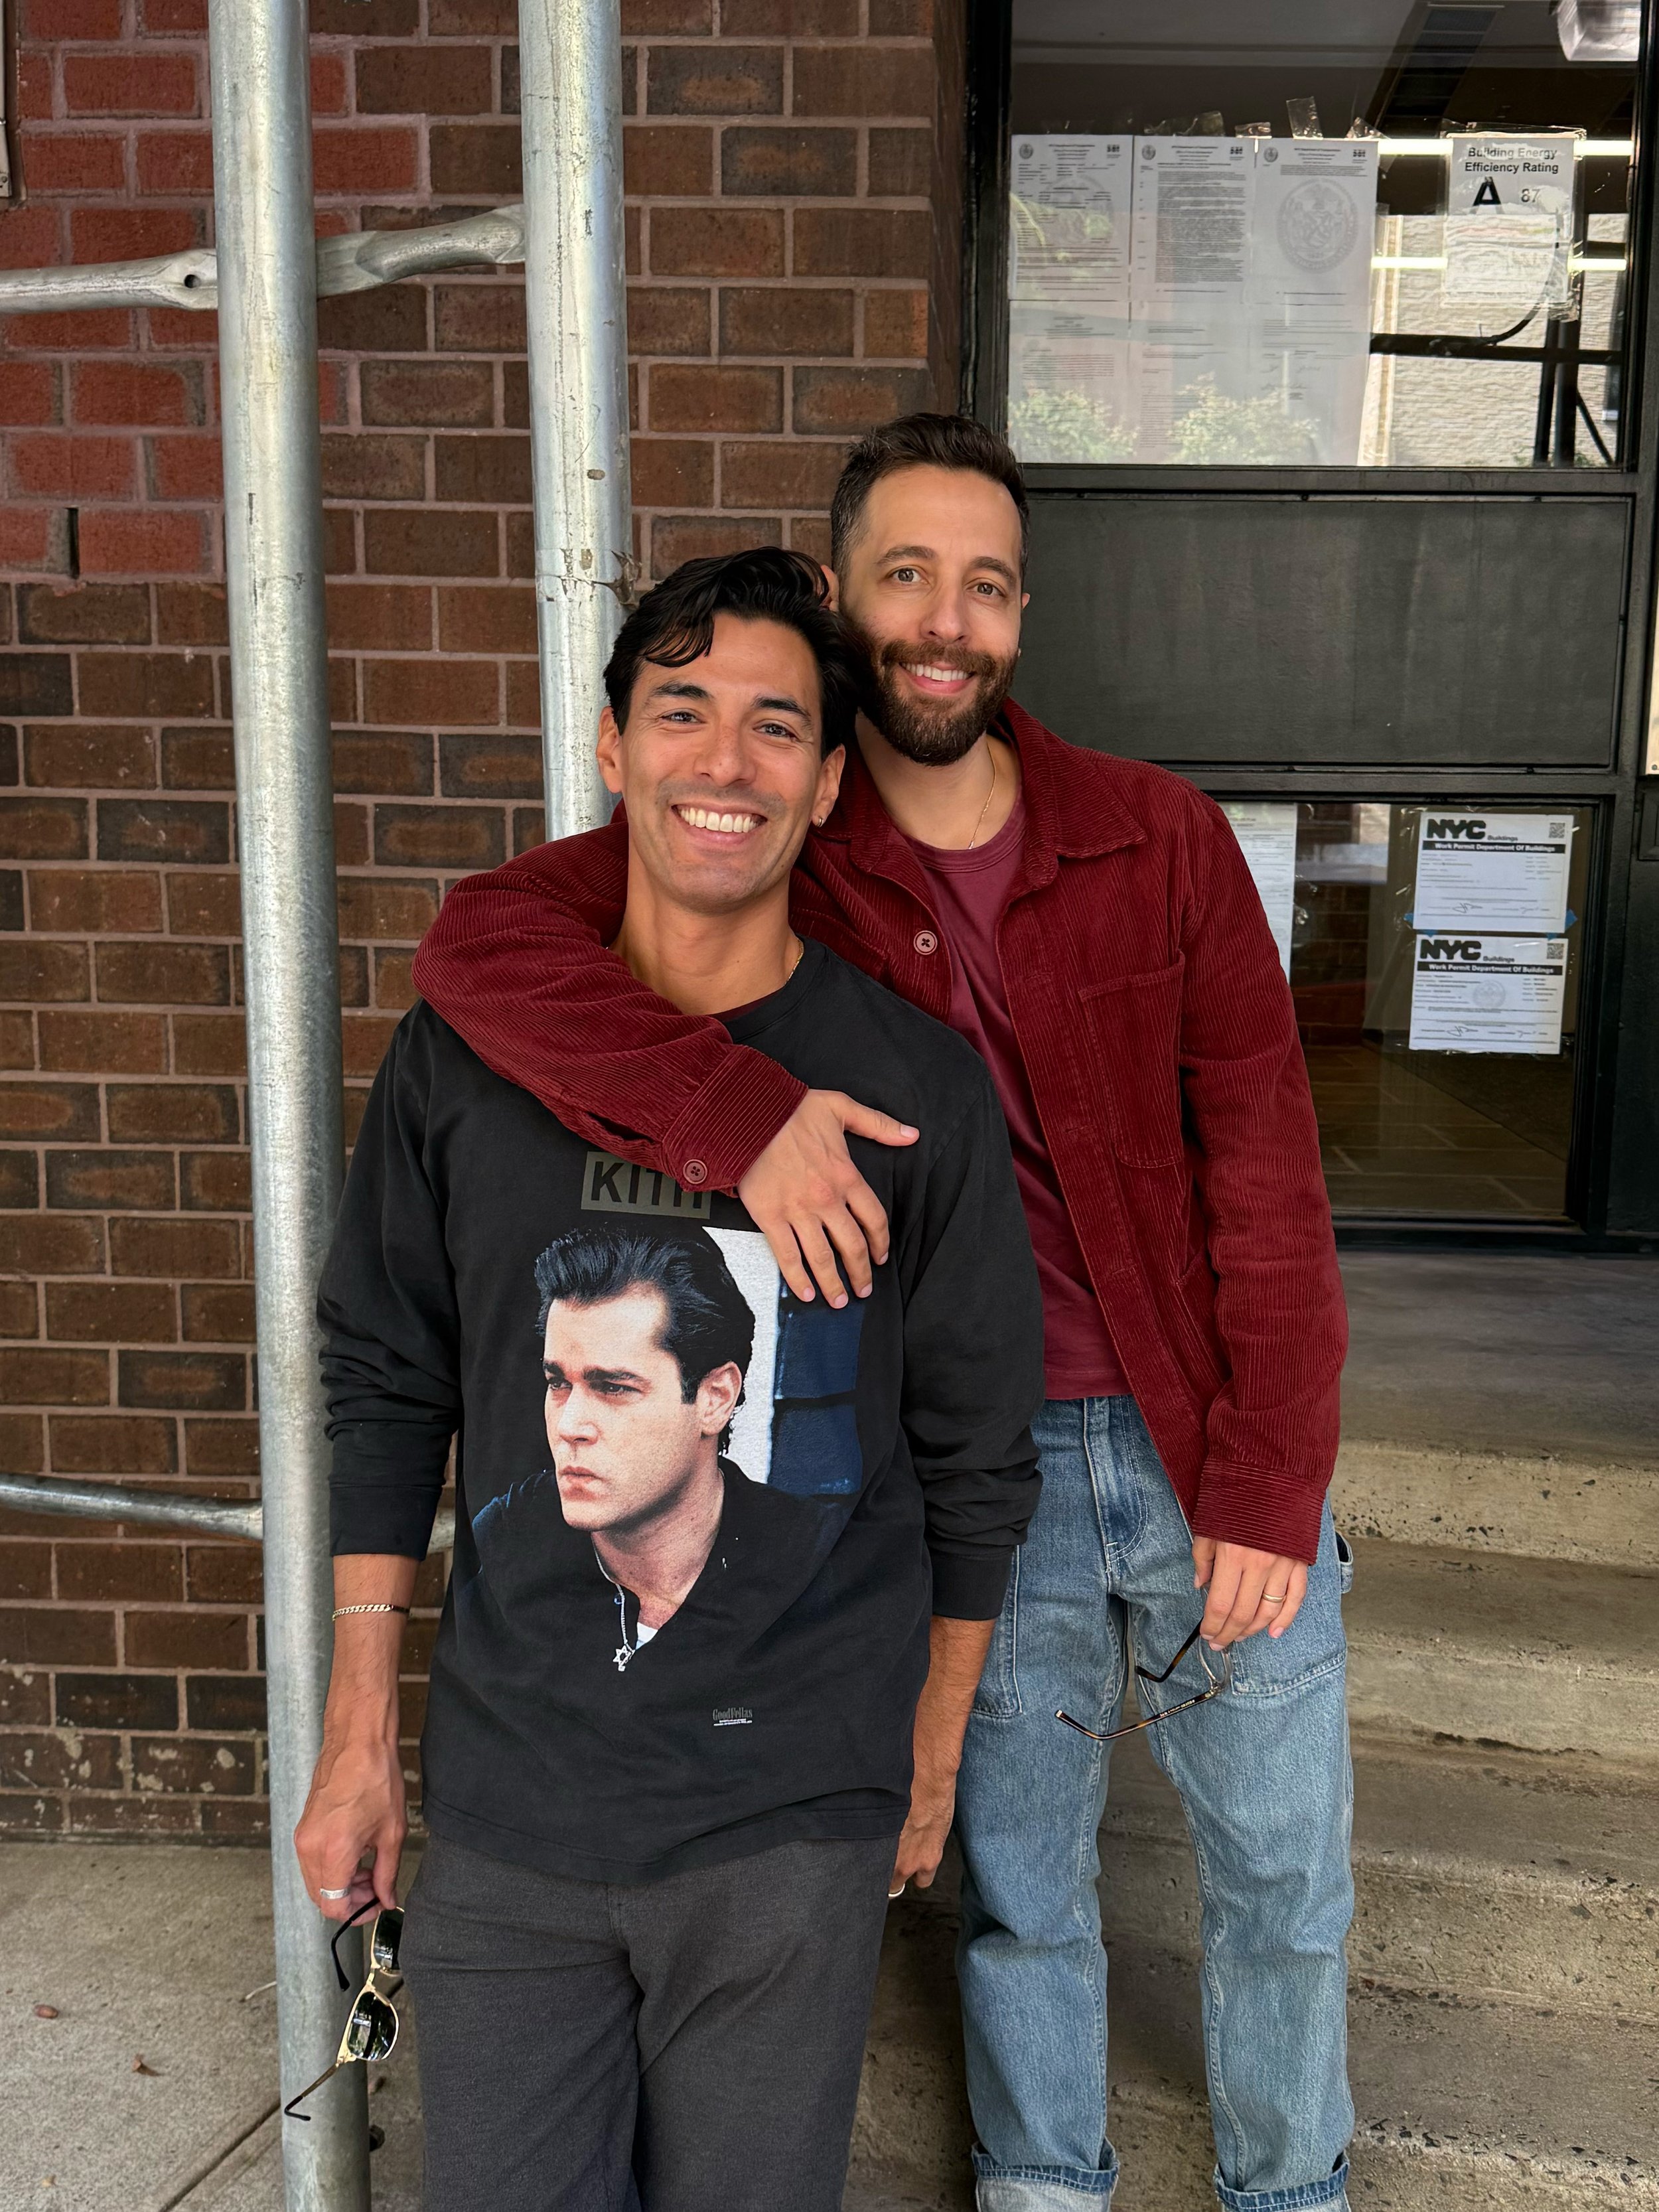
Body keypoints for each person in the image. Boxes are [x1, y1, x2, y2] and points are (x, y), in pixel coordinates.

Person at [411, 413, 1356, 2212]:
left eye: (984, 584)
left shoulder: (1153, 839)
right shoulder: (780, 830)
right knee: (1018, 1892)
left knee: (1286, 1886)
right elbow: (479, 949)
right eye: (906, 577)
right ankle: (1043, 2186)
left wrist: (1270, 1472)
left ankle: (1291, 2188)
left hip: (1189, 1439)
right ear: (842, 600)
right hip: (965, 1460)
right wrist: (736, 1109)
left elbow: (1265, 1166)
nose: (945, 619)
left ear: (1019, 617)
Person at [295, 544, 1045, 2212]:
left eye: (777, 727)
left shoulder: (912, 1086)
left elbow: (976, 1448)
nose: (726, 763)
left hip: (789, 1824)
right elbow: (383, 1378)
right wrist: (361, 1730)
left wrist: (928, 1749)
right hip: (514, 1807)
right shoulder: (469, 1053)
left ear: (831, 780)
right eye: (682, 712)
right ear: (614, 744)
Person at [474, 1223, 841, 1669]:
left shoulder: (813, 1566)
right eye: (557, 1382)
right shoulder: (506, 1544)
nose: (569, 1425)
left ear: (714, 1398)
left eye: (613, 1387)